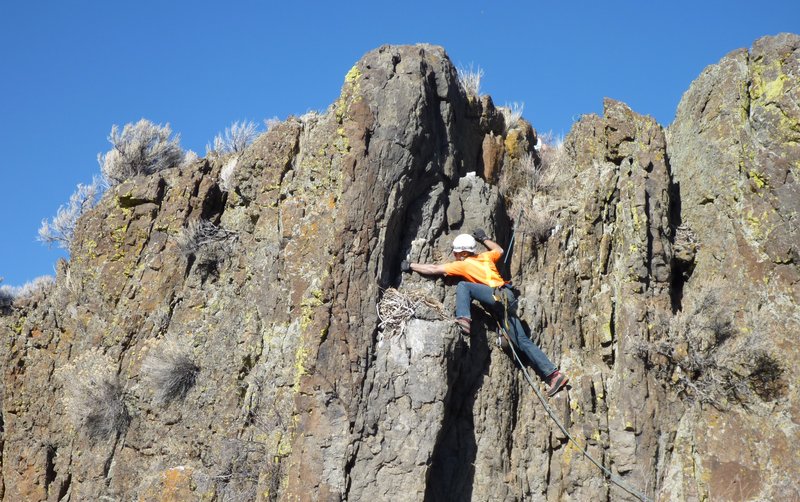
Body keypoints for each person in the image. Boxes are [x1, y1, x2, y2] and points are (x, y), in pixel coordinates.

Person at [401, 230, 569, 397]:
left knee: (464, 286)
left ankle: (464, 318)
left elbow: (434, 268)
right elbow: (500, 251)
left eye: (456, 252)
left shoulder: (463, 264)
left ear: (464, 253)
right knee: (522, 341)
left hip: (497, 296)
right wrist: (485, 239)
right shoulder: (485, 257)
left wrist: (411, 266)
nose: (453, 254)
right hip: (506, 300)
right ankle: (554, 375)